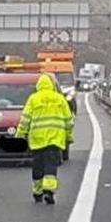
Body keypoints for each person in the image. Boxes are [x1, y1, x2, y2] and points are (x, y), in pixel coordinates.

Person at [15, 74, 74, 205]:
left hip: (37, 139)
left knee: (38, 166)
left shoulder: (33, 99)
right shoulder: (59, 99)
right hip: (55, 139)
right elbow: (69, 120)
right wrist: (68, 136)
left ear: (38, 86)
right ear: (51, 85)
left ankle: (37, 192)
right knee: (51, 166)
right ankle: (49, 191)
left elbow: (25, 119)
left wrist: (20, 135)